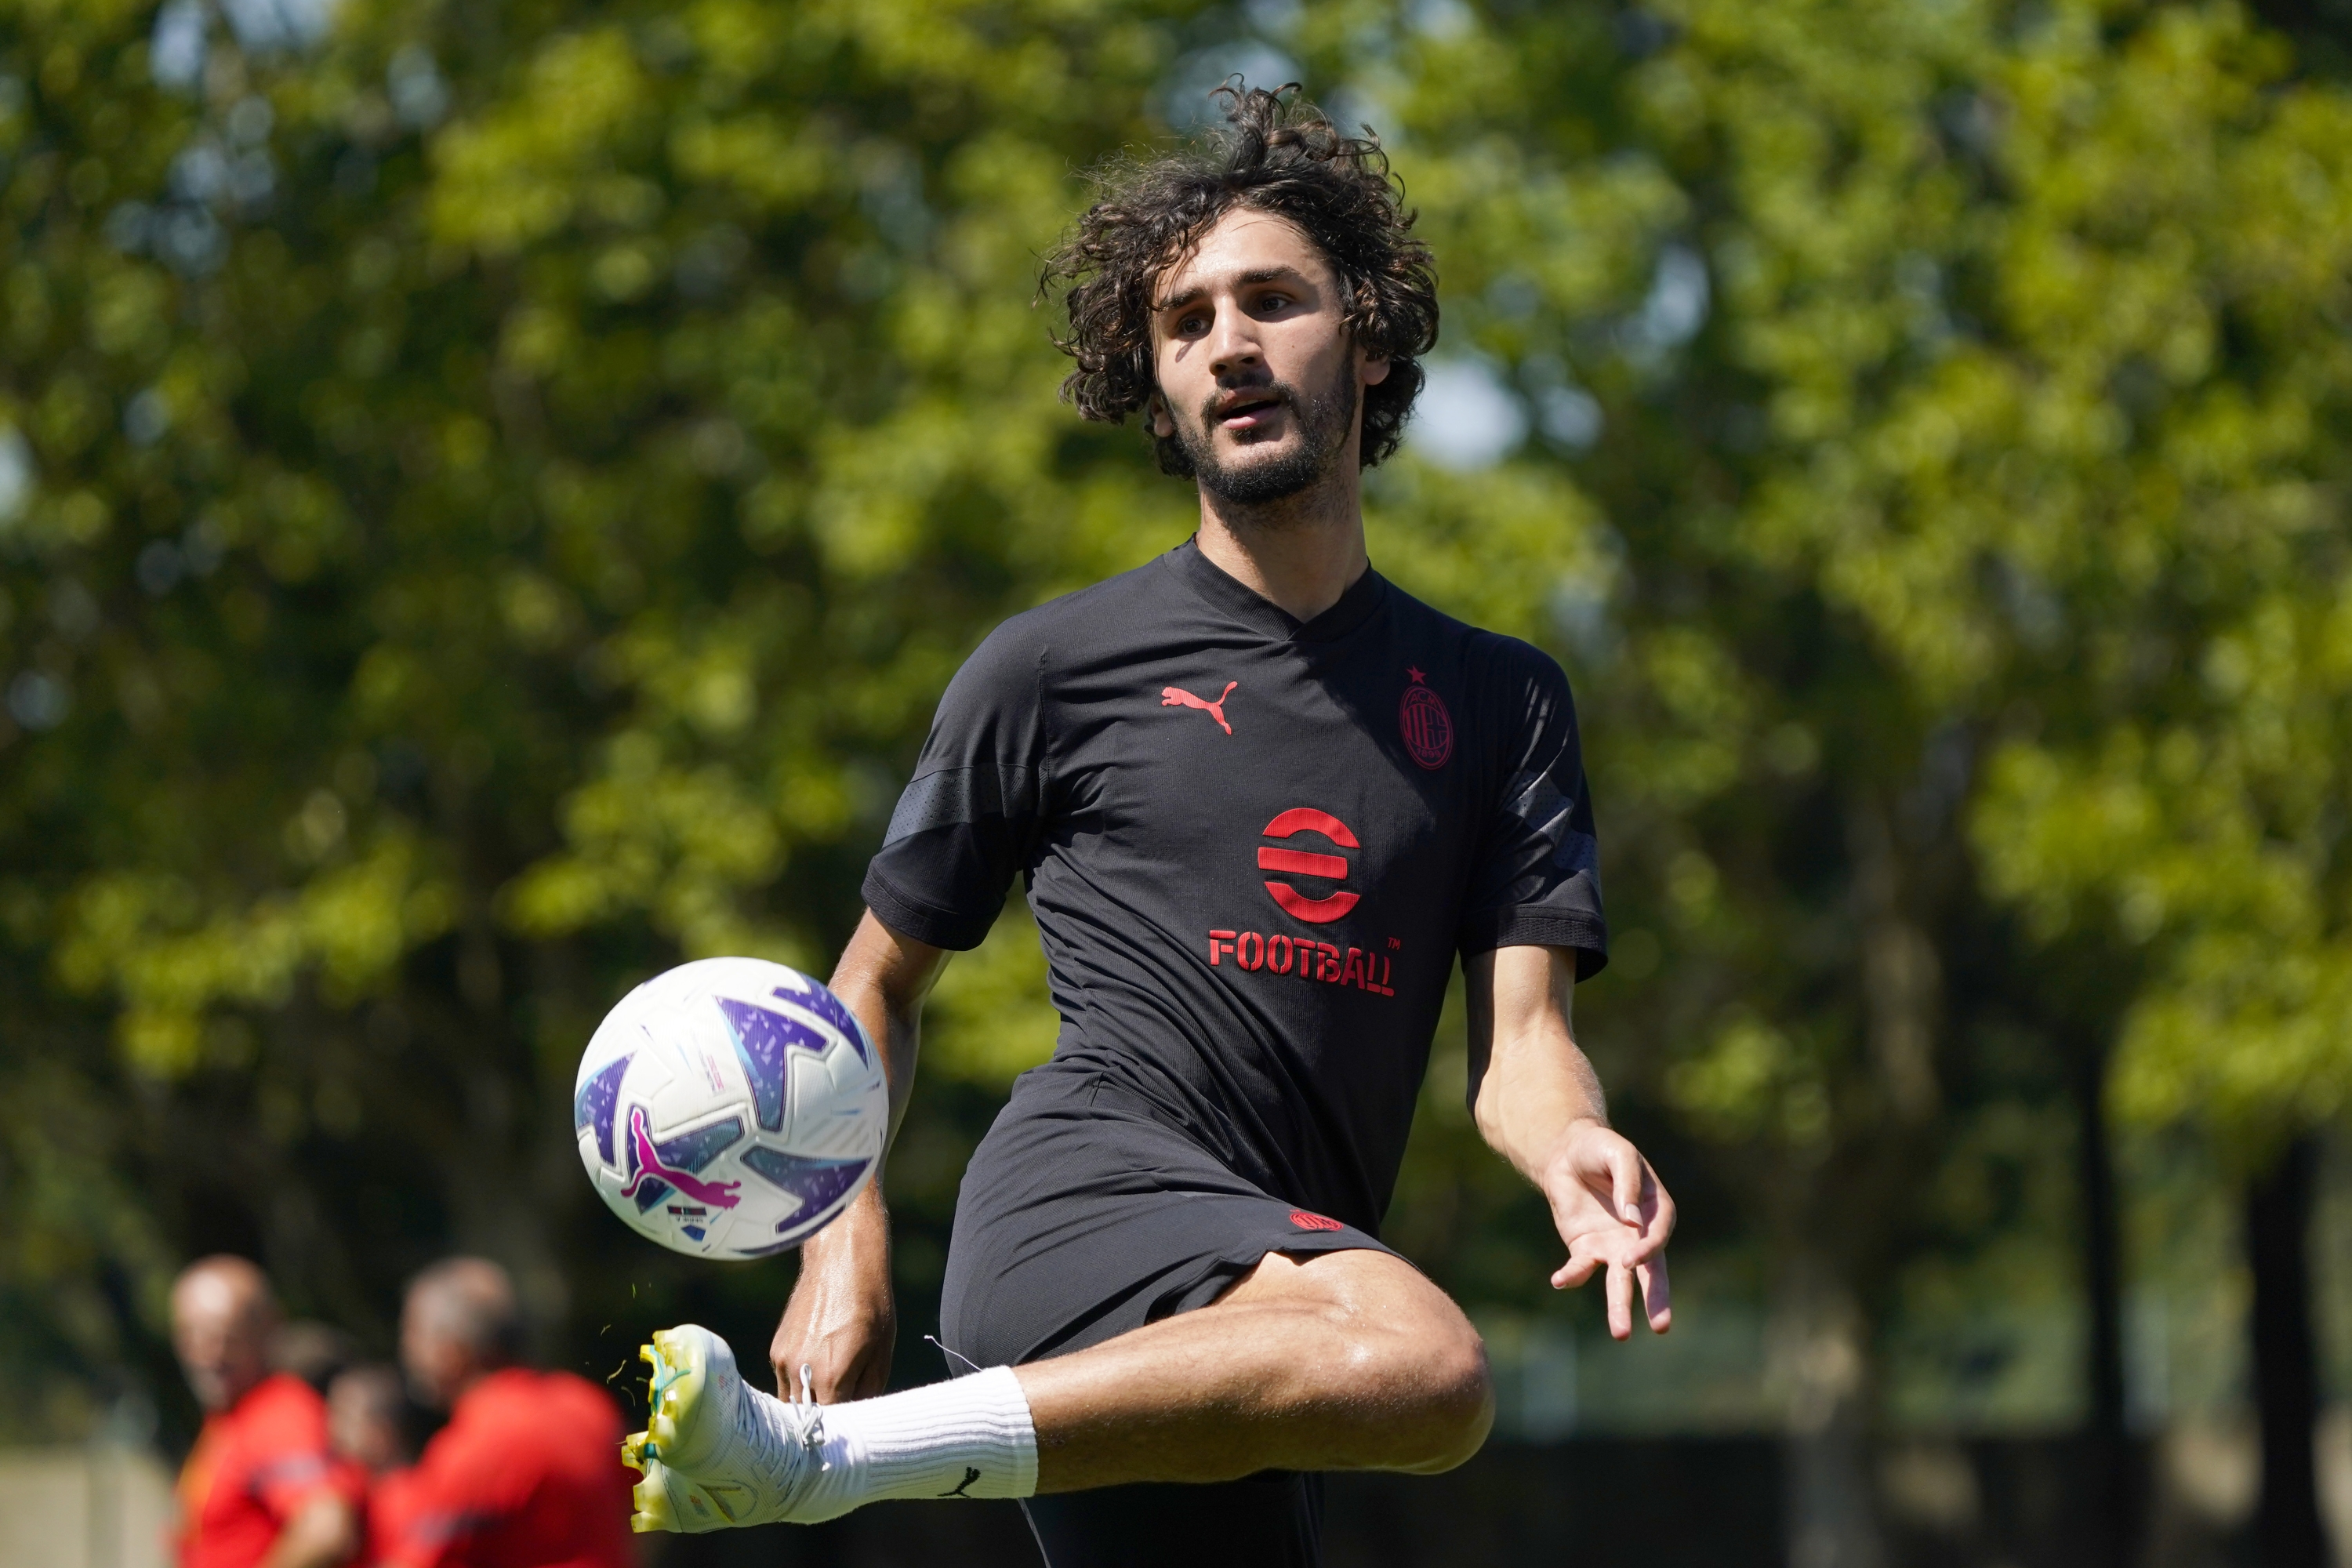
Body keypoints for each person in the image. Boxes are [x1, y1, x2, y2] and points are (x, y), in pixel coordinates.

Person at [623, 82, 1677, 1565]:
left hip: (1277, 1313)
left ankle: (830, 1461)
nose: (1228, 343)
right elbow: (872, 991)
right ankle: (823, 1461)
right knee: (1429, 1367)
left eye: (1272, 301)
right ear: (1160, 386)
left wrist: (1574, 1144)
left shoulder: (1501, 699)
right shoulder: (1050, 668)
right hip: (1080, 1209)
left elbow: (1522, 1051)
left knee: (1380, 1356)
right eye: (1185, 324)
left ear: (1371, 342)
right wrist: (841, 1248)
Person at [377, 1258, 633, 1568]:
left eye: (414, 1335)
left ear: (452, 1352)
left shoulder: (476, 1443)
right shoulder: (590, 1406)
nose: (407, 1351)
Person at [171, 1255, 361, 1568]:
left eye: (224, 1336)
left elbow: (326, 1528)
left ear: (269, 1327)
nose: (206, 1353)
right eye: (190, 1335)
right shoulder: (230, 1420)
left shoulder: (279, 1413)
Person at [325, 1364, 418, 1566]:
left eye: (346, 1418)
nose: (332, 1430)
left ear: (381, 1434)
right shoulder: (366, 1494)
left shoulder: (405, 1499)